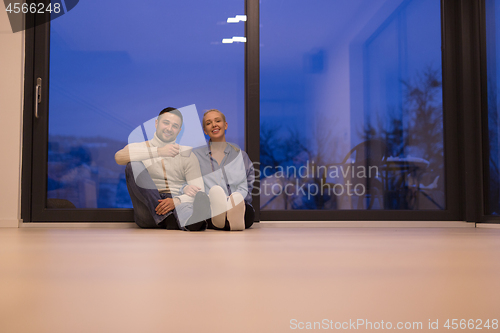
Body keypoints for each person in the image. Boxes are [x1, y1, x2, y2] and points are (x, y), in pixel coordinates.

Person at [115, 107, 210, 231]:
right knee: (133, 165)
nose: (169, 129)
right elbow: (118, 157)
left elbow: (199, 191)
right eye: (166, 123)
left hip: (176, 203)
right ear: (156, 123)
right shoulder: (140, 147)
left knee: (185, 206)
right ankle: (169, 219)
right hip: (148, 208)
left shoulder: (187, 154)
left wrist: (176, 200)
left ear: (179, 130)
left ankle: (192, 222)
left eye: (175, 126)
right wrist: (159, 151)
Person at [182, 109, 255, 231]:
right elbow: (185, 180)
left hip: (237, 205)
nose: (214, 125)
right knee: (205, 212)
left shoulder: (240, 156)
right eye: (208, 123)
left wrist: (232, 201)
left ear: (225, 125)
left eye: (217, 121)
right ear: (205, 130)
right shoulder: (196, 156)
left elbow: (248, 185)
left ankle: (222, 221)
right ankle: (226, 222)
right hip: (210, 207)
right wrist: (185, 188)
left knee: (248, 213)